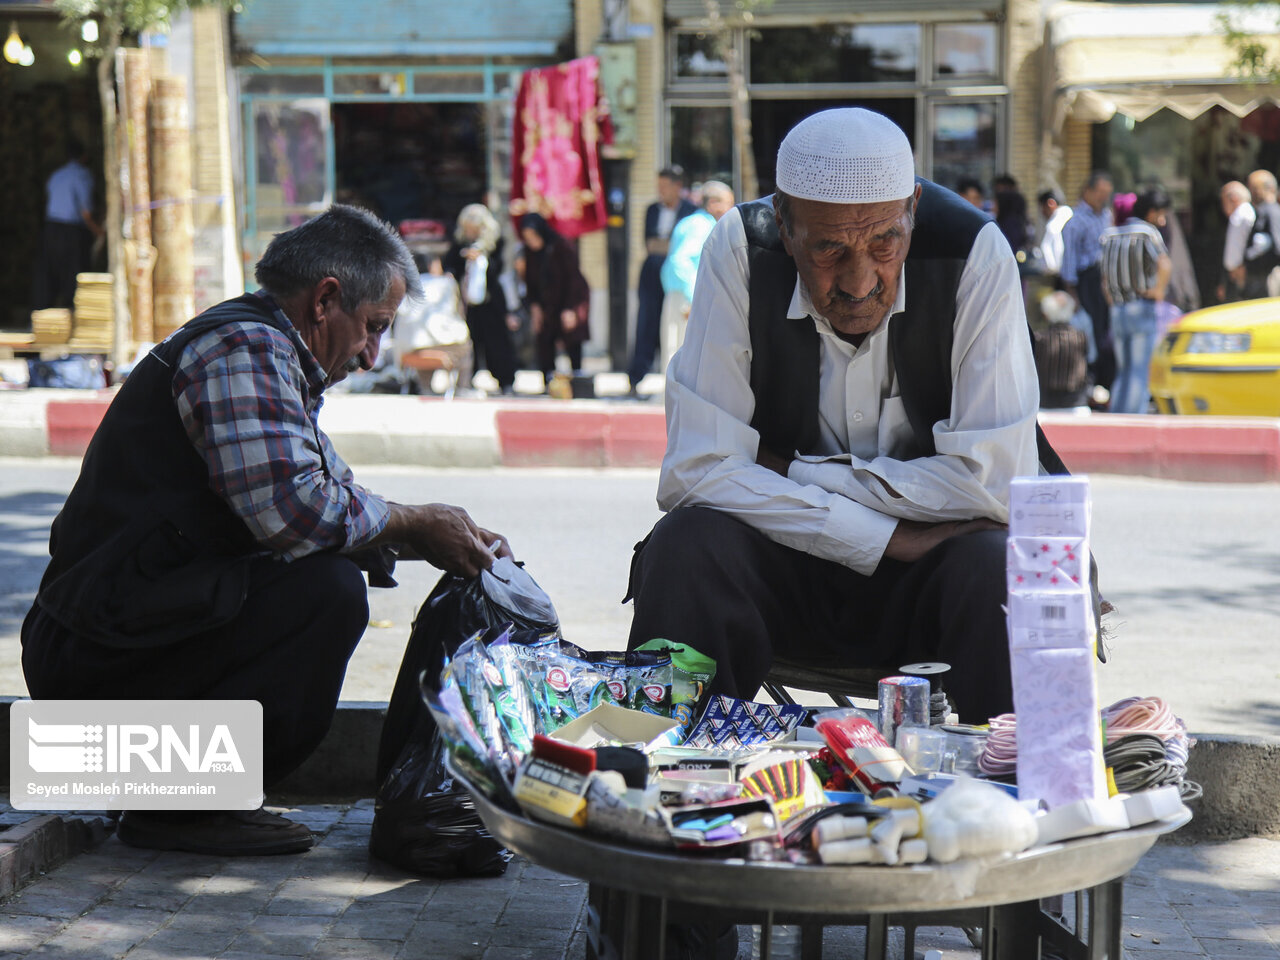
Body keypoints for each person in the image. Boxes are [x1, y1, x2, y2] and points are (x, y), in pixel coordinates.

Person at [21, 205, 511, 857]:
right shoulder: (241, 348)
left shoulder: (275, 359)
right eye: (372, 329)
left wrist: (434, 535)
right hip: (85, 672)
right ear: (325, 301)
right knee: (326, 591)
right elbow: (293, 511)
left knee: (325, 577)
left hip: (113, 649)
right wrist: (414, 524)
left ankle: (179, 797)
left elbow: (336, 498)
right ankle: (182, 808)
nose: (371, 355)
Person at [625, 108, 1081, 727]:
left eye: (884, 242)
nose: (860, 279)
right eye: (829, 247)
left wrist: (796, 472)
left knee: (999, 565)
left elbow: (993, 485)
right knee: (686, 546)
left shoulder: (974, 252)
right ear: (784, 224)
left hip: (936, 575)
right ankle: (675, 774)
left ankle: (1020, 796)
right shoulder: (741, 247)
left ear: (912, 210)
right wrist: (887, 536)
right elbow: (695, 471)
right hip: (782, 565)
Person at [1099, 189, 1172, 415]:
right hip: (1141, 305)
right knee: (1140, 370)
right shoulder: (1147, 233)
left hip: (1118, 309)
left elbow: (1104, 276)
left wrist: (1112, 299)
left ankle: (1118, 415)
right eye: (1160, 213)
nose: (1163, 220)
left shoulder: (1110, 235)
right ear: (1151, 212)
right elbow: (1164, 263)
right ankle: (1134, 417)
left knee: (1124, 369)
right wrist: (1158, 290)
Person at [628, 167, 697, 394]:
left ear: (677, 187)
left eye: (665, 187)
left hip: (676, 276)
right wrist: (672, 245)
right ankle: (637, 376)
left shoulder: (690, 211)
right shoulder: (651, 210)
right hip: (652, 270)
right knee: (646, 320)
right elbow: (650, 245)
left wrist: (668, 246)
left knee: (675, 324)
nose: (661, 191)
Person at [657, 180, 735, 375]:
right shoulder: (700, 225)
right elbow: (680, 261)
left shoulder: (697, 223)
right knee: (682, 353)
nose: (731, 209)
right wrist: (693, 298)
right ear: (713, 204)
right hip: (686, 297)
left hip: (684, 294)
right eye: (728, 203)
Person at [443, 204, 518, 395]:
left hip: (490, 300)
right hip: (468, 302)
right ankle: (467, 379)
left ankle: (506, 381)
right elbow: (450, 264)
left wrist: (481, 258)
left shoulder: (495, 241)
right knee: (469, 341)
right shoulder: (460, 241)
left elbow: (498, 269)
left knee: (497, 342)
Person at [518, 213, 591, 388]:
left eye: (533, 236)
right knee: (544, 336)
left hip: (570, 297)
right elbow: (530, 282)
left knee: (571, 336)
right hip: (546, 302)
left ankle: (577, 379)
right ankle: (549, 382)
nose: (531, 241)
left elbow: (573, 278)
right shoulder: (529, 252)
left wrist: (570, 308)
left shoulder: (561, 246)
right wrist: (534, 307)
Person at [1060, 171, 1115, 394]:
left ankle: (1103, 382)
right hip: (1086, 281)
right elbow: (1070, 258)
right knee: (1088, 331)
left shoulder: (1107, 216)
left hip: (1106, 279)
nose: (1103, 197)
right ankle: (1087, 382)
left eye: (1107, 194)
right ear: (1088, 191)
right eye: (1100, 193)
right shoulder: (1076, 221)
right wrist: (1071, 290)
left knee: (1104, 331)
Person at [37, 138, 103, 309]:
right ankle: (72, 315)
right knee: (74, 274)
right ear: (84, 156)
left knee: (50, 274)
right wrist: (99, 232)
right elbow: (86, 213)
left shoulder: (57, 175)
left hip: (51, 229)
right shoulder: (82, 175)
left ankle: (44, 313)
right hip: (70, 232)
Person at [1244, 169, 1280, 299]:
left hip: (1269, 274)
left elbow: (1277, 245)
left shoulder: (1270, 210)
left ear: (1269, 188)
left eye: (1254, 188)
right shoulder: (1266, 209)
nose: (1251, 192)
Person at [1218, 180, 1255, 303]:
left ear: (1233, 198)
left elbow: (1236, 245)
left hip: (1239, 273)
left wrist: (1236, 266)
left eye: (1224, 202)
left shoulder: (1240, 215)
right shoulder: (1247, 212)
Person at [1035, 190, 1073, 280]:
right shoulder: (1071, 214)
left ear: (1050, 203)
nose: (1042, 212)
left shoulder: (1055, 223)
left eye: (1042, 208)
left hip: (1063, 274)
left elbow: (1046, 246)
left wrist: (1051, 268)